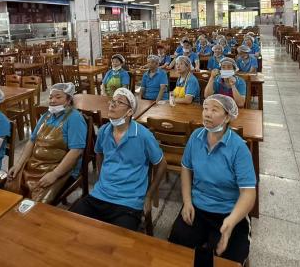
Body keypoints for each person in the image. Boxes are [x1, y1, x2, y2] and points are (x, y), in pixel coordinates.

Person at [168, 94, 256, 265]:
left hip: (229, 212)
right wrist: (187, 202)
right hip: (198, 207)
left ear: (227, 117)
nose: (207, 114)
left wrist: (231, 222)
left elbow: (248, 193)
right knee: (176, 249)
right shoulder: (196, 137)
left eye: (214, 110)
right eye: (205, 109)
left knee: (228, 257)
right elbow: (186, 168)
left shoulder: (238, 148)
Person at [71, 88, 167, 230]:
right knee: (71, 223)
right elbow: (99, 153)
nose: (113, 104)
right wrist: (101, 178)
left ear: (129, 112)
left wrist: (149, 195)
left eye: (120, 102)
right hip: (101, 194)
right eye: (113, 101)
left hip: (129, 201)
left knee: (117, 239)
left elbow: (162, 164)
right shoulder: (104, 131)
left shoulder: (143, 135)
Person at [5, 83, 87, 202]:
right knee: (10, 190)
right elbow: (32, 141)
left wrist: (55, 174)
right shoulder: (46, 116)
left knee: (37, 202)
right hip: (35, 165)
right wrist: (19, 164)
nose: (52, 101)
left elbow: (76, 151)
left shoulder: (74, 118)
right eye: (50, 97)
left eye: (58, 97)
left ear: (68, 100)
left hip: (59, 169)